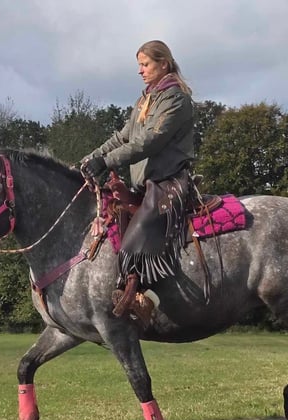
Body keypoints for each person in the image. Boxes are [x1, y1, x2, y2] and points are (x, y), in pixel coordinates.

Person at [81, 40, 195, 327]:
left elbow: (149, 141)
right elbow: (123, 137)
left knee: (139, 230)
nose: (140, 71)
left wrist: (107, 163)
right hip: (145, 184)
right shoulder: (146, 99)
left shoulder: (175, 99)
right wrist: (89, 159)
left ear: (164, 64)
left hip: (168, 182)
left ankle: (146, 298)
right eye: (139, 65)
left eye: (145, 64)